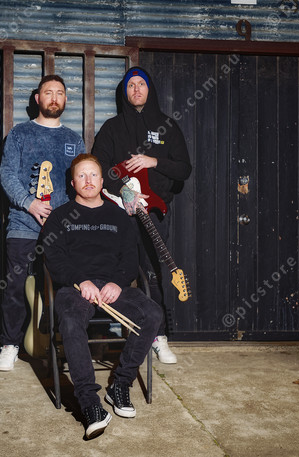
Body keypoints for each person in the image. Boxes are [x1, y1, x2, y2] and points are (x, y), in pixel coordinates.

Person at [42, 154, 162, 439]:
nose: (88, 181)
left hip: (112, 287)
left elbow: (131, 258)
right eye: (81, 176)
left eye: (93, 175)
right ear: (73, 183)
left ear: (101, 180)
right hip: (75, 289)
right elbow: (53, 257)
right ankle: (90, 404)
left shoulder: (118, 216)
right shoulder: (60, 217)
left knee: (152, 313)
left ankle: (120, 384)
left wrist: (118, 283)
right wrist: (79, 280)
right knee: (71, 321)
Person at [92, 66, 192, 364]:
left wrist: (153, 161)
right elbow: (98, 167)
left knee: (153, 274)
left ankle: (158, 337)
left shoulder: (167, 126)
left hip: (155, 214)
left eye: (141, 84)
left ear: (150, 89)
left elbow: (184, 169)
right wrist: (121, 190)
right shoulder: (112, 127)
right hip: (118, 215)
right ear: (125, 91)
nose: (136, 89)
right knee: (112, 272)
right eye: (131, 85)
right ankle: (103, 337)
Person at [0, 75, 85, 371]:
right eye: (48, 92)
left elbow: (81, 182)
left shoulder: (74, 139)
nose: (54, 97)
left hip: (62, 229)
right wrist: (29, 203)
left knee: (65, 286)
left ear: (65, 99)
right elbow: (7, 174)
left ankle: (62, 342)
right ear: (38, 98)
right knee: (14, 286)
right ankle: (10, 344)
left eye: (60, 92)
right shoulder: (20, 133)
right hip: (23, 224)